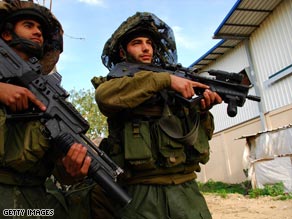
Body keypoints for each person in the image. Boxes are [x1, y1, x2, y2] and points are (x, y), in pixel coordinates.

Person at [91, 12, 222, 219]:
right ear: (123, 53)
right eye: (137, 43)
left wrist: (203, 110)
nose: (146, 48)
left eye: (149, 43)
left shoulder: (175, 85)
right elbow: (104, 97)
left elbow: (202, 135)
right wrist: (165, 80)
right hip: (141, 195)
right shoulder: (122, 83)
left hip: (187, 191)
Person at [0, 1, 93, 218]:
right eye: (29, 25)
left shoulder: (47, 93)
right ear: (6, 34)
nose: (37, 32)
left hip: (33, 202)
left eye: (41, 29)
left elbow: (57, 169)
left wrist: (70, 170)